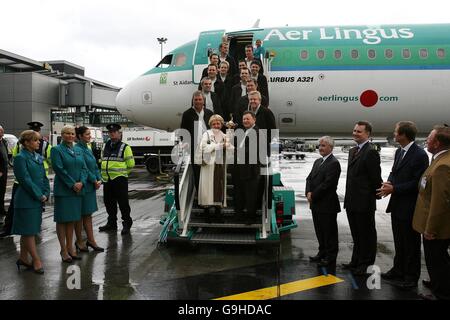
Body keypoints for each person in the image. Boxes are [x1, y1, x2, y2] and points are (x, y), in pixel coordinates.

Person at [377, 121, 429, 289]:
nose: (394, 134)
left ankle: (411, 277)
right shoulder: (400, 151)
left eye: (396, 132)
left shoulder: (419, 155)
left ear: (403, 135)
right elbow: (394, 171)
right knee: (399, 241)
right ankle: (398, 270)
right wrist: (389, 183)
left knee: (411, 243)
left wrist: (395, 188)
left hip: (410, 206)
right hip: (398, 204)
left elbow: (418, 183)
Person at [413, 125, 450, 300]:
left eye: (429, 137)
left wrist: (431, 228)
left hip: (436, 227)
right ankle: (438, 284)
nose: (426, 139)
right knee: (438, 260)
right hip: (437, 224)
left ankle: (441, 294)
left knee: (437, 260)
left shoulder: (442, 165)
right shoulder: (440, 159)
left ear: (436, 143)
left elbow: (439, 202)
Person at [343, 121, 382, 276]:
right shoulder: (353, 151)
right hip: (352, 200)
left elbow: (375, 178)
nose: (355, 133)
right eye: (354, 130)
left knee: (366, 235)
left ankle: (366, 264)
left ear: (367, 134)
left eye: (359, 131)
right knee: (356, 234)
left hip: (364, 202)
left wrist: (372, 198)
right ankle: (356, 261)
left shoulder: (371, 152)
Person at [0, 121, 51, 238]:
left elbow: (50, 159)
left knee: (35, 211)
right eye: (33, 130)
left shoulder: (45, 145)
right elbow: (16, 157)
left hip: (39, 182)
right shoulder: (20, 146)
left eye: (36, 130)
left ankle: (32, 229)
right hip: (22, 182)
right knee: (15, 208)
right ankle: (10, 228)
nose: (36, 133)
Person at [11, 130, 50, 274]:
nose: (39, 142)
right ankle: (36, 259)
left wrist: (46, 192)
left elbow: (43, 178)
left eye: (39, 140)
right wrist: (39, 195)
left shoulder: (38, 157)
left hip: (37, 199)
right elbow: (25, 180)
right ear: (26, 142)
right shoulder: (20, 158)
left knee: (29, 231)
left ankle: (23, 258)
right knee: (29, 232)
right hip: (27, 199)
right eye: (36, 140)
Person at [51, 125, 87, 263]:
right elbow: (59, 169)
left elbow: (84, 168)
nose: (70, 136)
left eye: (72, 133)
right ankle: (63, 250)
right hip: (65, 190)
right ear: (62, 134)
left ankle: (71, 247)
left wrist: (81, 182)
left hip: (77, 190)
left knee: (72, 220)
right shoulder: (56, 150)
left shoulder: (78, 149)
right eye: (67, 133)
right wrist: (73, 184)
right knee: (62, 221)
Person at [306, 136, 341, 267]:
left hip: (327, 204)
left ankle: (330, 257)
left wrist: (313, 195)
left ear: (331, 148)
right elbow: (309, 179)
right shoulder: (317, 161)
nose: (320, 148)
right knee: (320, 231)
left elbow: (328, 184)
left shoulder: (333, 163)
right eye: (319, 145)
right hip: (316, 203)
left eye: (324, 146)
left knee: (329, 233)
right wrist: (308, 192)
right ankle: (322, 252)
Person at [99, 123, 135, 235]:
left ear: (119, 133)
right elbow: (101, 160)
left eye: (115, 132)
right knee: (109, 203)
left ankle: (127, 223)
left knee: (123, 203)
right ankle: (112, 223)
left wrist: (123, 174)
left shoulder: (125, 147)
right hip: (107, 180)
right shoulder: (105, 146)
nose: (112, 134)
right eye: (110, 132)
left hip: (120, 179)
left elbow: (131, 164)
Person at [74, 126, 104, 252]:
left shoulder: (88, 148)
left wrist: (99, 178)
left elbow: (95, 165)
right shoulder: (77, 149)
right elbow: (84, 167)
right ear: (80, 136)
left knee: (88, 214)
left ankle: (91, 241)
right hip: (85, 185)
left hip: (91, 185)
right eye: (87, 134)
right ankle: (80, 241)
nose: (89, 136)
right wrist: (94, 180)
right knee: (81, 215)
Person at [197, 115, 233, 220]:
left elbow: (230, 149)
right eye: (214, 124)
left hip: (219, 164)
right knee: (207, 188)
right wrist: (219, 146)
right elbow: (204, 147)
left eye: (218, 123)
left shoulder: (224, 135)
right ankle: (207, 213)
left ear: (221, 125)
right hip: (208, 165)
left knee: (219, 187)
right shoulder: (207, 134)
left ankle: (218, 212)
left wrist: (232, 147)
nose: (216, 125)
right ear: (210, 124)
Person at [180, 91, 214, 191]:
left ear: (203, 101)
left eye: (200, 99)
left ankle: (210, 196)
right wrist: (186, 144)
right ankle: (201, 197)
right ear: (193, 101)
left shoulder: (209, 113)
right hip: (195, 148)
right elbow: (183, 131)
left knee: (209, 172)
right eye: (196, 100)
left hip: (209, 147)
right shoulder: (187, 114)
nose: (198, 102)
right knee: (198, 173)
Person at [233, 111, 261, 224]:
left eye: (247, 119)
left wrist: (236, 151)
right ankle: (238, 215)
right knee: (239, 193)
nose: (245, 121)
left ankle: (251, 217)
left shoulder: (257, 132)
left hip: (251, 170)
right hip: (239, 169)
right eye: (244, 119)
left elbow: (253, 150)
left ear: (254, 119)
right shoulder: (243, 132)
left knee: (251, 195)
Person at [0, 125, 8, 218]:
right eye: (0, 130)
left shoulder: (4, 141)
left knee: (2, 191)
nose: (2, 132)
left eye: (2, 130)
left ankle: (1, 209)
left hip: (4, 170)